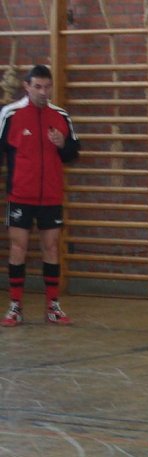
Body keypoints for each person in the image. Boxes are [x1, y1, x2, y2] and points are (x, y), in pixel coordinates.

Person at [0, 64, 80, 327]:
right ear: (27, 86)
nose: (43, 92)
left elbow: (73, 154)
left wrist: (62, 145)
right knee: (18, 248)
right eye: (38, 87)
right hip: (20, 194)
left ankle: (53, 307)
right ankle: (15, 307)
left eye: (47, 87)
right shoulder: (10, 115)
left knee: (51, 248)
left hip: (50, 197)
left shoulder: (61, 116)